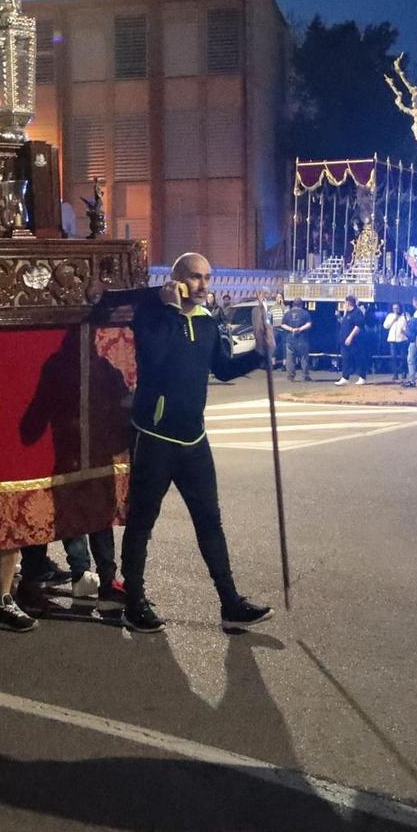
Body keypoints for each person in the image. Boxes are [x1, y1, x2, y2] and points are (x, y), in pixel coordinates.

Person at [119, 252, 276, 634]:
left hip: (194, 438)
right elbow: (155, 360)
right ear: (176, 280)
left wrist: (259, 355)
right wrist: (171, 311)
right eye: (196, 277)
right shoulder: (152, 317)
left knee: (210, 522)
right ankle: (134, 601)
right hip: (155, 436)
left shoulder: (207, 323)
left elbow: (222, 368)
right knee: (142, 521)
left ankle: (230, 603)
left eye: (208, 277)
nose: (205, 285)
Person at [335, 295, 370, 384]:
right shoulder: (347, 314)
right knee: (345, 359)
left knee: (358, 358)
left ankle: (362, 377)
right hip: (344, 342)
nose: (344, 304)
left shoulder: (357, 313)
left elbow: (358, 327)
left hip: (355, 342)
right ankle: (345, 377)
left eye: (345, 302)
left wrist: (350, 337)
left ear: (349, 303)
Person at [280, 299, 313, 382]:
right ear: (301, 304)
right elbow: (309, 324)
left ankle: (291, 376)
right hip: (302, 338)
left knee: (290, 358)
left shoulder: (287, 314)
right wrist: (300, 329)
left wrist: (291, 329)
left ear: (293, 304)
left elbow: (282, 324)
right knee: (304, 357)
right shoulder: (305, 313)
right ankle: (305, 376)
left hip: (290, 338)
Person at [382, 303, 412, 384]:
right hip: (392, 339)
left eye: (397, 308)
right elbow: (385, 326)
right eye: (394, 308)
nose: (396, 310)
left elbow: (409, 324)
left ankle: (403, 371)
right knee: (393, 357)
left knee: (403, 357)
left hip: (402, 338)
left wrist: (405, 330)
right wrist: (393, 319)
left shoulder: (405, 315)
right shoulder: (390, 316)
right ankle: (395, 373)